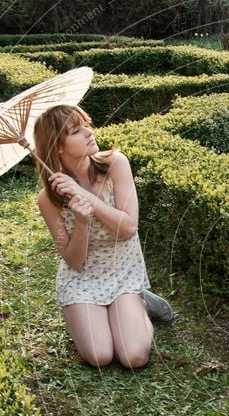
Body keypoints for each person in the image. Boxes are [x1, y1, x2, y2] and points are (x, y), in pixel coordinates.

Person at [34, 104, 172, 369]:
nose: (88, 132)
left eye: (86, 124)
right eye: (76, 130)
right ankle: (85, 313)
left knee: (134, 357)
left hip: (122, 270)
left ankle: (140, 303)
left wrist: (83, 195)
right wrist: (83, 223)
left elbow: (129, 227)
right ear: (58, 147)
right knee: (99, 356)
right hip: (83, 277)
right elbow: (74, 261)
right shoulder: (48, 199)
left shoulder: (115, 164)